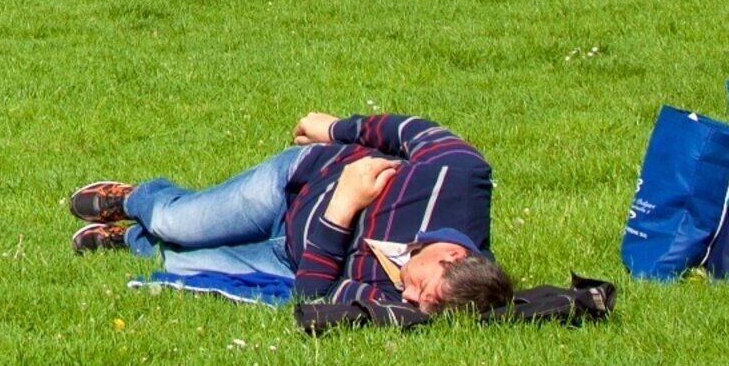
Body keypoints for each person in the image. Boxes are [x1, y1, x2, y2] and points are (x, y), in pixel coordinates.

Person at [69, 110, 516, 318]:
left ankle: (130, 240)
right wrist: (336, 128)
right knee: (178, 223)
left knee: (181, 261)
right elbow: (414, 132)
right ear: (453, 255)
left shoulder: (395, 298)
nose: (414, 299)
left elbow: (314, 294)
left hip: (291, 256)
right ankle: (133, 200)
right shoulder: (458, 181)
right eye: (425, 290)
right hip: (296, 183)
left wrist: (343, 208)